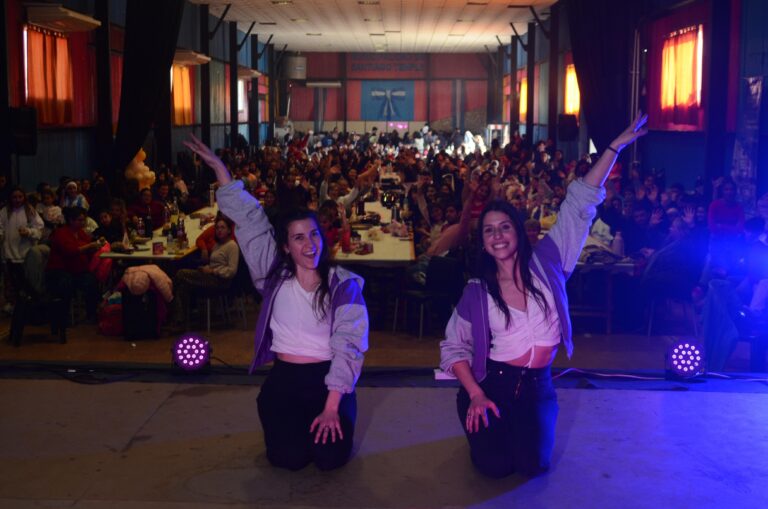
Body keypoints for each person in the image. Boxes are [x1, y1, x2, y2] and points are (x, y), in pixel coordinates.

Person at [440, 114, 648, 478]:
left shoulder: (550, 262)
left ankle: (514, 432)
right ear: (484, 242)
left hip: (537, 387)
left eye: (505, 227)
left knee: (533, 466)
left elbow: (579, 204)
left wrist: (613, 148)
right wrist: (475, 393)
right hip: (493, 383)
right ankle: (480, 423)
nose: (498, 235)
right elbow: (453, 348)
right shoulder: (477, 291)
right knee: (494, 468)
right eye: (489, 231)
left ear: (518, 232)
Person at [184, 134, 368, 472]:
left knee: (329, 460)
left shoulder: (344, 285)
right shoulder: (272, 276)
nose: (309, 244)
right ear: (285, 247)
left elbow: (349, 348)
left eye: (314, 235)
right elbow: (252, 221)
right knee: (288, 460)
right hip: (285, 379)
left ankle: (341, 412)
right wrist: (221, 170)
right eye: (298, 238)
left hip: (328, 380)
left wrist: (331, 407)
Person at [173, 217, 239, 321]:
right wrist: (207, 268)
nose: (219, 230)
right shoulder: (218, 244)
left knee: (181, 274)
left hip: (220, 281)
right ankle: (180, 319)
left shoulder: (232, 246)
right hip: (210, 275)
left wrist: (213, 271)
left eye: (222, 228)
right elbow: (214, 263)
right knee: (182, 286)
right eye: (217, 228)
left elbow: (231, 271)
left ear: (229, 230)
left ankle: (175, 315)